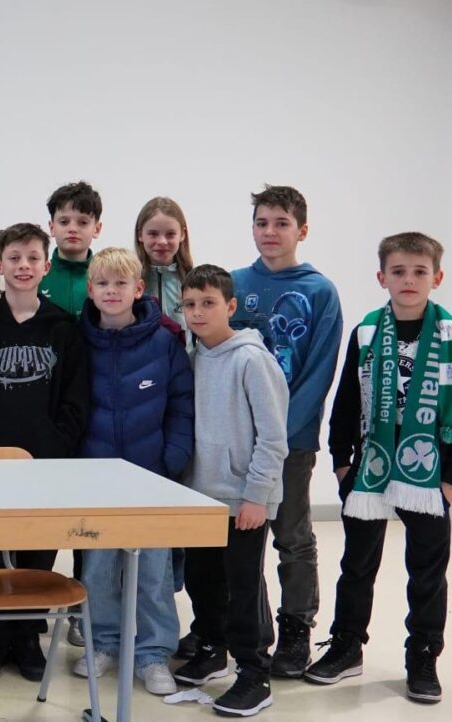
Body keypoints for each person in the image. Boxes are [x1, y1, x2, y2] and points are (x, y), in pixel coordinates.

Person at [304, 233, 452, 706]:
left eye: (419, 272)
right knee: (356, 565)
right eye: (398, 271)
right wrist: (342, 467)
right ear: (381, 277)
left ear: (436, 278)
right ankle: (346, 646)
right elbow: (342, 405)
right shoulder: (365, 334)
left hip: (429, 475)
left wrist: (450, 484)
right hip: (371, 469)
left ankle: (423, 656)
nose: (408, 280)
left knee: (426, 571)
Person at [0, 221, 89, 682]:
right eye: (14, 258)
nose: (23, 266)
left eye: (32, 258)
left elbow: (75, 401)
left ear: (46, 266)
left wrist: (54, 443)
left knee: (36, 551)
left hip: (45, 463)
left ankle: (27, 635)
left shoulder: (64, 327)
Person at [221, 185, 343, 675]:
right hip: (237, 441)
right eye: (261, 223)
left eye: (281, 224)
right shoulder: (233, 283)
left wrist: (279, 436)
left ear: (302, 231)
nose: (270, 233)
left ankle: (297, 630)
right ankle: (256, 631)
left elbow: (319, 371)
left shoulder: (320, 291)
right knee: (244, 537)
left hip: (289, 442)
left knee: (292, 536)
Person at [70, 248, 193, 696]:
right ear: (91, 290)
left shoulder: (163, 342)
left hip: (151, 478)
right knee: (99, 568)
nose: (112, 291)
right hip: (96, 478)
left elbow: (182, 403)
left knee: (154, 571)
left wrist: (173, 457)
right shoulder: (79, 340)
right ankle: (103, 643)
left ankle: (153, 652)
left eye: (121, 284)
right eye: (102, 284)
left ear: (138, 289)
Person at [175, 264, 288, 717]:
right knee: (203, 580)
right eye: (189, 305)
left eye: (208, 304)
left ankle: (254, 672)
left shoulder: (251, 359)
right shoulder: (194, 355)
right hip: (201, 495)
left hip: (243, 498)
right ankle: (212, 648)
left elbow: (273, 436)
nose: (198, 313)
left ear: (231, 307)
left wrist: (256, 496)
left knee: (243, 585)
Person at [39, 181, 104, 316]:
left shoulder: (107, 278)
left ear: (96, 229)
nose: (73, 229)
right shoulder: (37, 277)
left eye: (83, 222)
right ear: (52, 228)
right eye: (64, 222)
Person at [133, 196, 195, 328]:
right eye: (153, 234)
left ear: (182, 235)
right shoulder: (128, 281)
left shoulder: (193, 281)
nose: (162, 241)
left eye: (170, 234)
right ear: (140, 235)